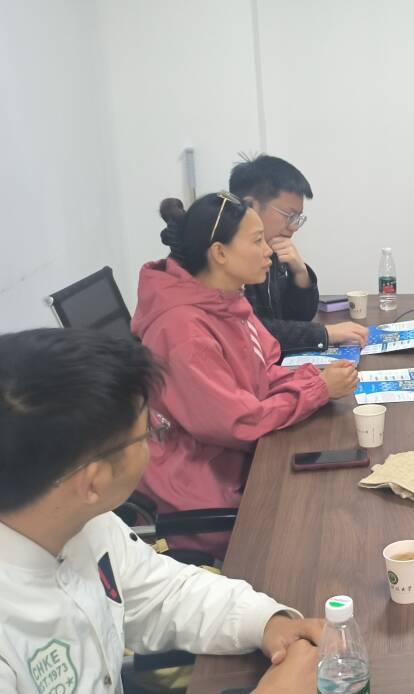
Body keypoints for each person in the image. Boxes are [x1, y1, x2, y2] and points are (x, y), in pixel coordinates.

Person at [0, 327, 322, 694]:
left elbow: (163, 594)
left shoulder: (82, 521)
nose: (155, 443)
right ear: (93, 481)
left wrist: (266, 621)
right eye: (147, 433)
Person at [132, 192, 358, 554]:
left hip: (238, 460)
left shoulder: (225, 299)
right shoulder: (182, 331)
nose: (268, 251)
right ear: (219, 253)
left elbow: (262, 373)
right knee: (325, 528)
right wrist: (317, 389)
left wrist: (316, 380)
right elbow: (238, 423)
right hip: (205, 488)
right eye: (256, 242)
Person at [229, 154, 367, 352]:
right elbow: (251, 331)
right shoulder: (225, 260)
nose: (293, 227)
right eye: (289, 215)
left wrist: (300, 275)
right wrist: (324, 334)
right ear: (250, 206)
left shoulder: (271, 249)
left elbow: (296, 318)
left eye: (298, 218)